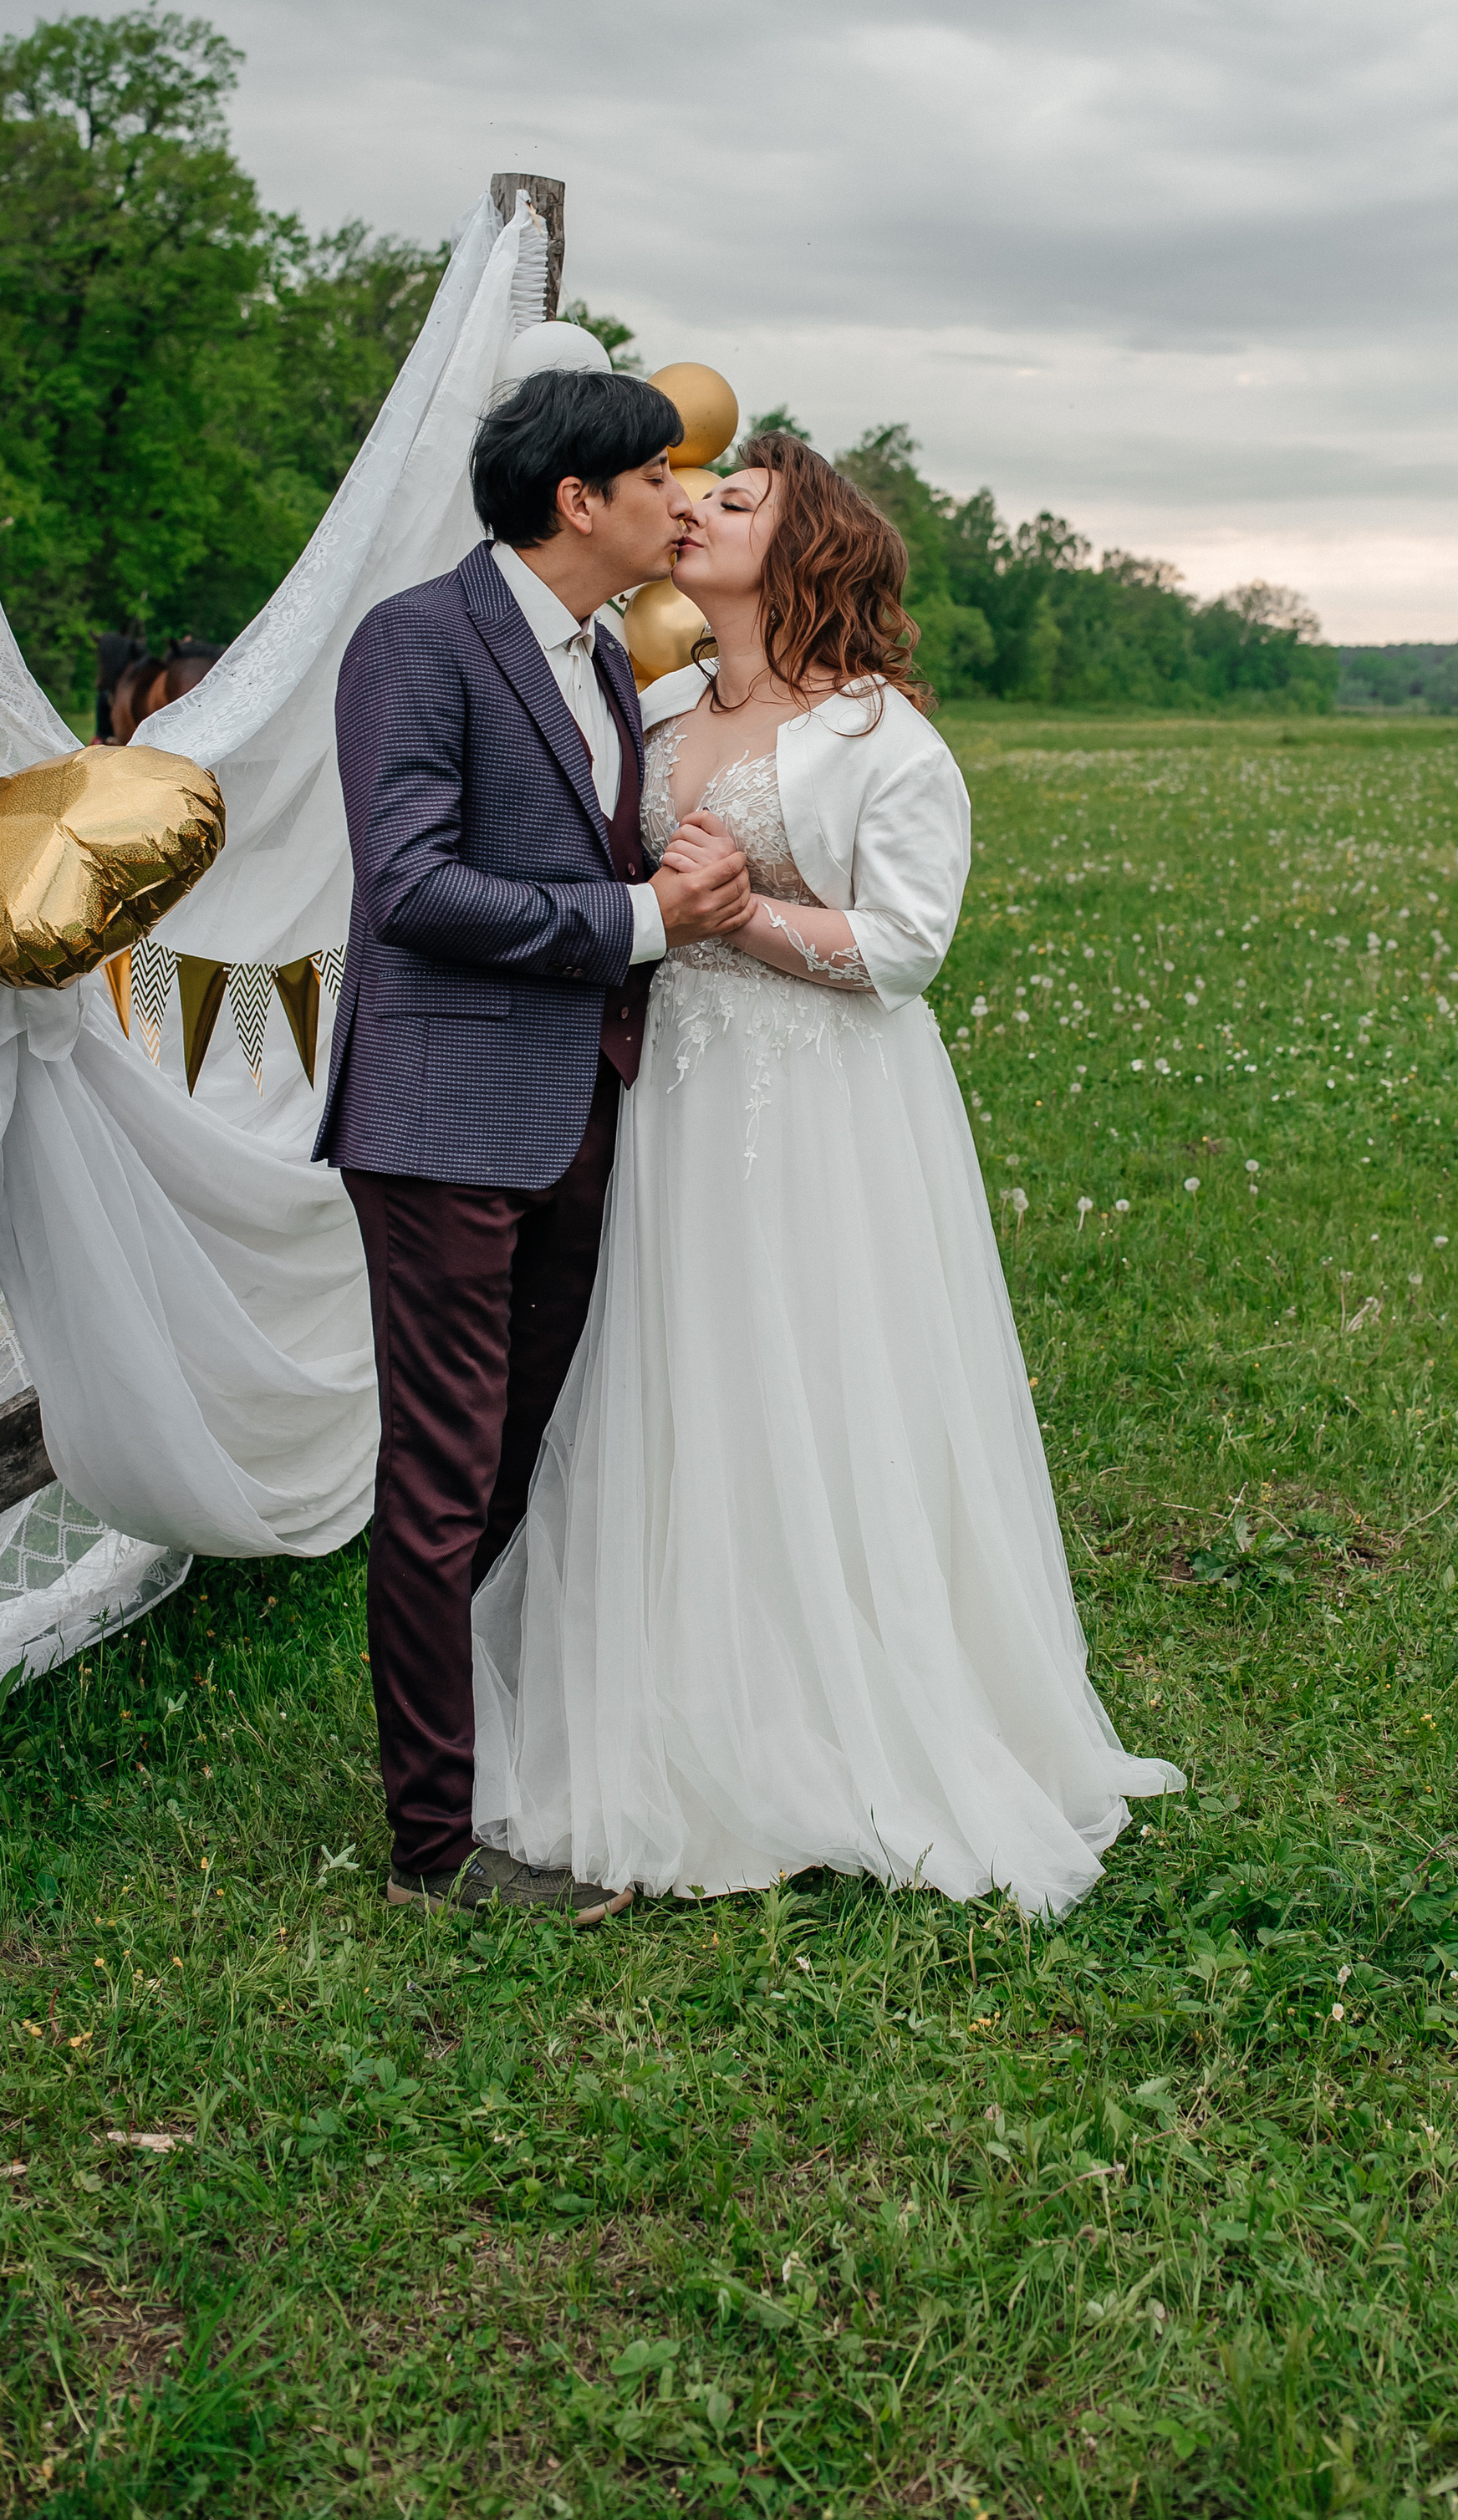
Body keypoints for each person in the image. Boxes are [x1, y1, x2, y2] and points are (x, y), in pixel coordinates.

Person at [472, 435, 1182, 1917]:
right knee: (684, 1374)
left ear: (808, 554)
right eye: (701, 493)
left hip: (826, 1113)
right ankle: (678, 1700)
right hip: (674, 1098)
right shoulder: (654, 711)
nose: (697, 510)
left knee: (819, 1376)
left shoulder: (881, 739)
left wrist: (741, 923)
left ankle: (843, 1712)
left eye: (737, 502)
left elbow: (909, 949)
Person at [315, 368, 753, 1915]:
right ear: (581, 500)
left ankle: (496, 1746)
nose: (681, 500)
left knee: (513, 1460)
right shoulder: (417, 642)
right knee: (441, 1480)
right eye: (658, 477)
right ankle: (432, 1849)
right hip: (439, 1118)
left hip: (579, 1107)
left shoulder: (600, 656)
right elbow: (414, 885)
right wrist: (640, 919)